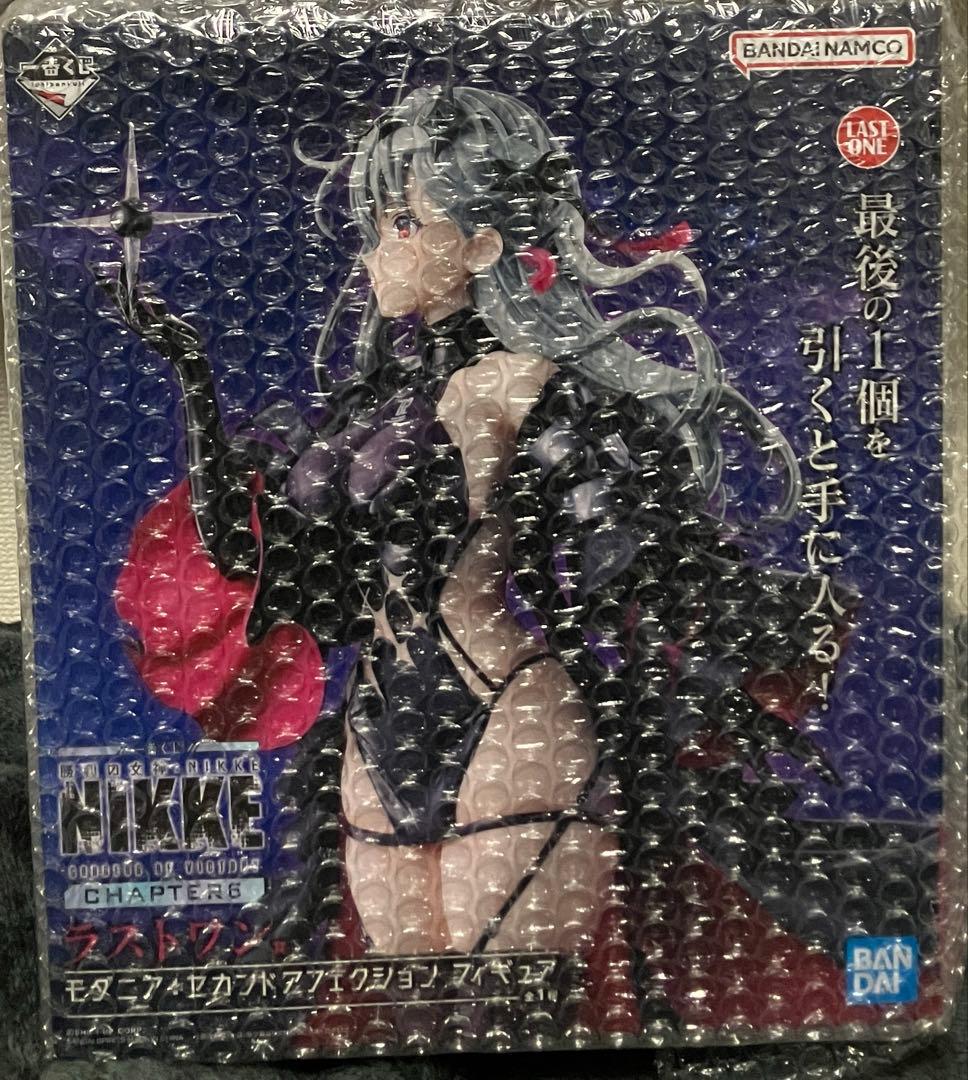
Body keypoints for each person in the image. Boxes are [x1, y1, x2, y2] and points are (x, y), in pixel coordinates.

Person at [113, 85, 845, 1005]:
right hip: (376, 731)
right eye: (375, 226)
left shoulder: (519, 381)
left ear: (483, 246)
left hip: (507, 708)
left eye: (403, 224)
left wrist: (703, 633)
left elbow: (629, 543)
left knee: (515, 1002)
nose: (378, 250)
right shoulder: (363, 410)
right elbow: (260, 560)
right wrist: (189, 371)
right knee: (417, 1013)